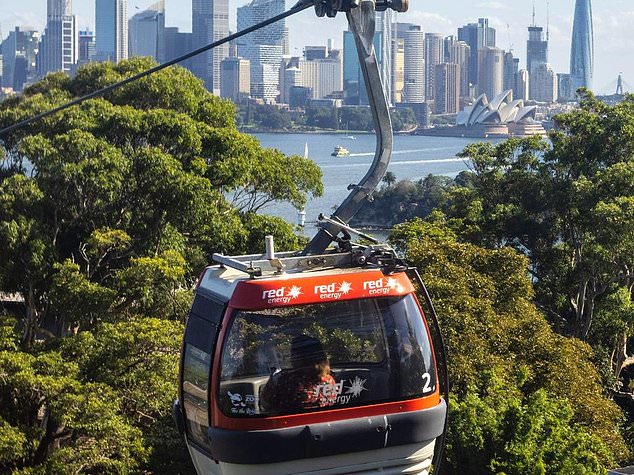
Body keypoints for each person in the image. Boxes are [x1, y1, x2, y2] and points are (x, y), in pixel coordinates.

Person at [260, 335, 338, 414]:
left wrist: (273, 380)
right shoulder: (330, 379)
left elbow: (266, 403)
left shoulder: (288, 380)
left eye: (293, 353)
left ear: (297, 357)